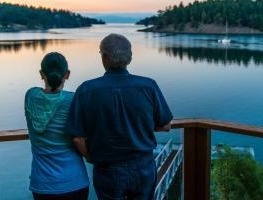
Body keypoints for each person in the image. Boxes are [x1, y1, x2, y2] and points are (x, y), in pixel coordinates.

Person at [65, 34, 173, 200]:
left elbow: (78, 138)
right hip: (143, 166)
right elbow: (165, 125)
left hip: (107, 168)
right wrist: (140, 125)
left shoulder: (87, 90)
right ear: (129, 58)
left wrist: (90, 157)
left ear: (104, 57)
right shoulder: (148, 86)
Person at [24, 52, 89, 200]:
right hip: (75, 181)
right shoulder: (73, 100)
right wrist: (91, 158)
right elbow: (79, 138)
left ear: (41, 74)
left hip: (42, 185)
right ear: (67, 74)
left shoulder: (30, 96)